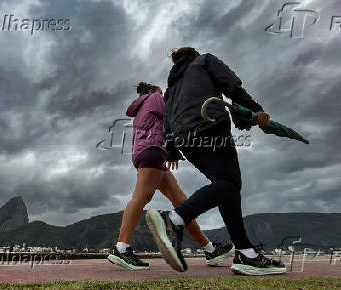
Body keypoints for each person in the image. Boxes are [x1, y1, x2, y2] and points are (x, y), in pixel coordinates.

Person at [146, 48, 286, 275]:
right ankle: (174, 219)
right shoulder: (204, 61)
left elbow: (167, 123)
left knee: (225, 188)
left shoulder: (170, 90)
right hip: (209, 125)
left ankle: (245, 253)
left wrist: (171, 150)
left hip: (185, 140)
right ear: (193, 53)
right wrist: (256, 110)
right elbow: (231, 85)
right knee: (229, 183)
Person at [107, 82, 234, 271]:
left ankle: (210, 249)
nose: (164, 96)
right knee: (142, 197)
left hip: (148, 153)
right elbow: (171, 120)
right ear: (151, 91)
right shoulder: (154, 97)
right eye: (161, 92)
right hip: (153, 151)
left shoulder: (141, 107)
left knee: (182, 203)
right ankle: (121, 248)